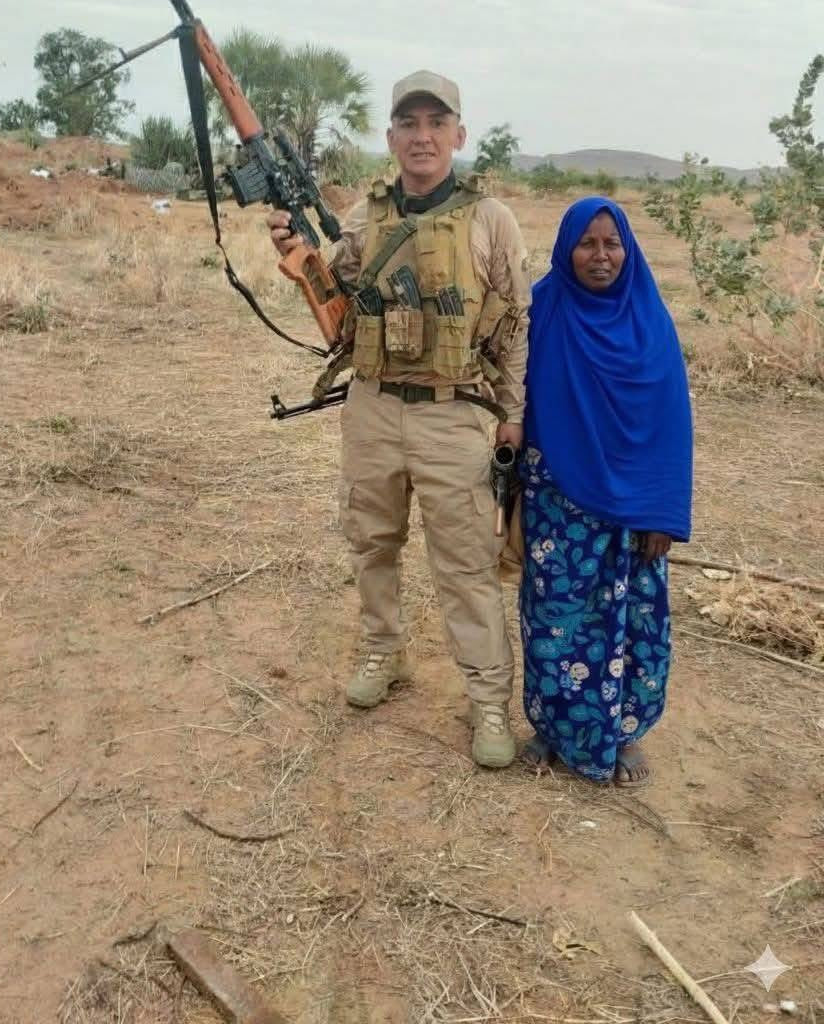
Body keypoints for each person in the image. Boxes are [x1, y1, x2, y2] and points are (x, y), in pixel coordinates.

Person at [268, 71, 530, 767]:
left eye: (436, 123)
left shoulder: (491, 219)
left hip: (454, 413)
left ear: (458, 135)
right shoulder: (364, 215)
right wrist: (296, 256)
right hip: (374, 406)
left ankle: (487, 700)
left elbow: (516, 325)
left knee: (466, 564)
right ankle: (385, 652)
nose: (422, 136)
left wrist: (513, 414)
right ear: (390, 137)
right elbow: (337, 313)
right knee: (372, 542)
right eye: (408, 124)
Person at [519, 196, 692, 787]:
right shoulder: (542, 307)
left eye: (611, 244)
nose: (600, 256)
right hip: (557, 498)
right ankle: (551, 727)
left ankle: (623, 732)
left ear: (628, 249)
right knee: (555, 617)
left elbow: (671, 423)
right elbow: (513, 391)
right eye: (586, 244)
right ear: (566, 249)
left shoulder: (650, 320)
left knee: (631, 617)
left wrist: (663, 514)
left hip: (634, 509)